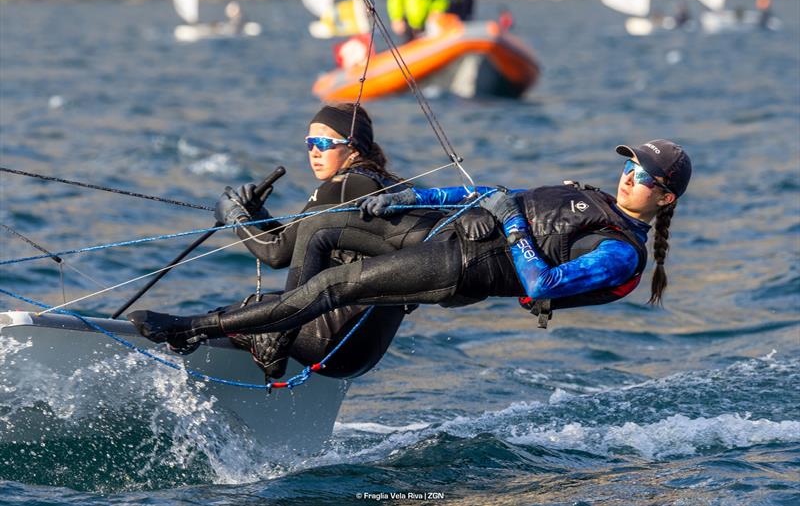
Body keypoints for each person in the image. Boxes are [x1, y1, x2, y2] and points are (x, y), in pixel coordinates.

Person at [130, 140, 692, 352]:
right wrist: (402, 203)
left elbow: (539, 284)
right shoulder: (587, 195)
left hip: (463, 269)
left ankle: (194, 328)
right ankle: (276, 338)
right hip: (451, 231)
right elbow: (494, 193)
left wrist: (507, 224)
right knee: (325, 229)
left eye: (643, 175)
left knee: (335, 284)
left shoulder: (621, 253)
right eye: (629, 163)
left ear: (663, 199)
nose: (629, 175)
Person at [208, 103, 440, 380]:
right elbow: (298, 246)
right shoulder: (388, 186)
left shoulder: (342, 186)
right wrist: (259, 217)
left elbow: (277, 254)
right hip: (363, 350)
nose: (315, 152)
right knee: (263, 306)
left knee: (230, 316)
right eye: (309, 144)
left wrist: (236, 219)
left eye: (324, 143)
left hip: (329, 340)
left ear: (353, 148)